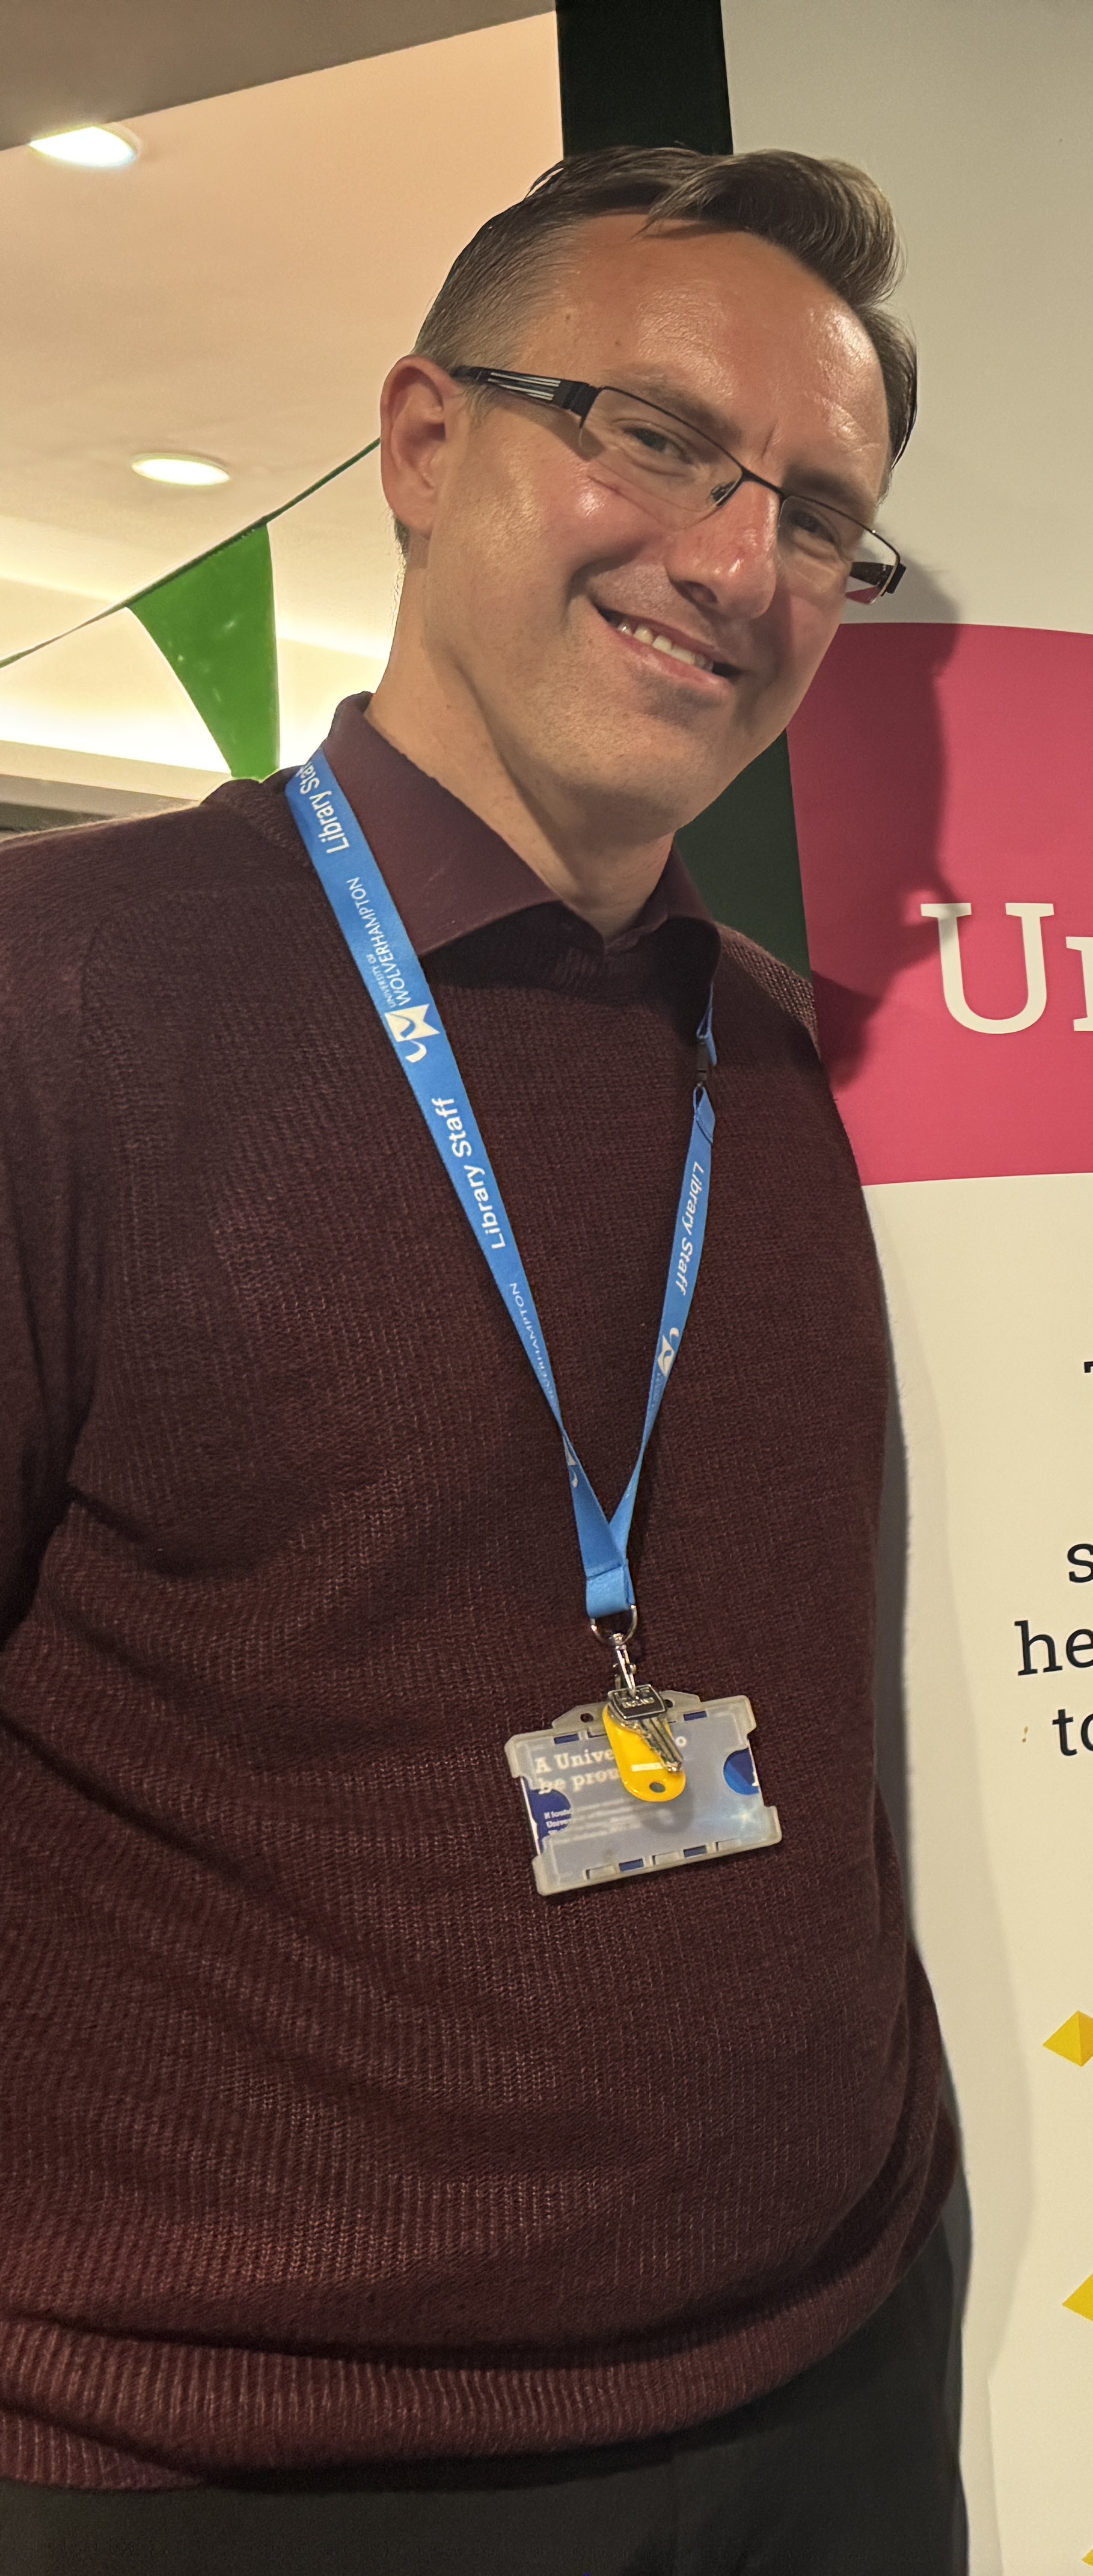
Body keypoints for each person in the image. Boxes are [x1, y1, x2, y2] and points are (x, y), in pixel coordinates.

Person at [0, 149, 957, 2566]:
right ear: (426, 448)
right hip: (246, 2469)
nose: (734, 562)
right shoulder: (60, 1000)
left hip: (833, 2385)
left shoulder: (790, 1066)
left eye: (817, 512)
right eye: (649, 436)